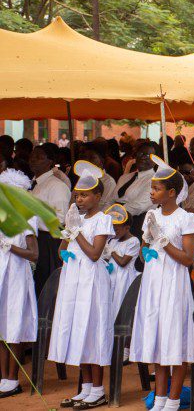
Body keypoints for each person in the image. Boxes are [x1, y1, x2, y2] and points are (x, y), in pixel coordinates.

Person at [129, 155, 194, 411]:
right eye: (151, 188)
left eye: (156, 189)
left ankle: (173, 400)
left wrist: (164, 241)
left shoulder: (185, 218)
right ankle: (159, 398)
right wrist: (147, 246)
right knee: (158, 340)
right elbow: (145, 253)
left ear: (171, 193)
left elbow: (188, 259)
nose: (151, 192)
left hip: (174, 284)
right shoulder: (151, 214)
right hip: (153, 283)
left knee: (175, 341)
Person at [48, 161, 114, 409]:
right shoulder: (76, 219)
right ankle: (85, 388)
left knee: (92, 331)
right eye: (77, 195)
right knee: (79, 331)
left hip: (92, 281)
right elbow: (61, 252)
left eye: (85, 195)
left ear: (98, 196)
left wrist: (77, 232)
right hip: (74, 280)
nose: (80, 199)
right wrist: (69, 230)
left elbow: (95, 254)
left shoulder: (102, 220)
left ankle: (98, 390)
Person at [0, 169, 38, 398]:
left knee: (13, 324)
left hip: (16, 275)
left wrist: (10, 246)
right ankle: (3, 377)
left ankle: (13, 379)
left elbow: (34, 254)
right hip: (1, 274)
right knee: (1, 325)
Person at [29, 144, 71, 296]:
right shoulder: (34, 183)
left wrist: (29, 218)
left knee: (46, 286)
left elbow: (59, 220)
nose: (33, 160)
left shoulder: (57, 186)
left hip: (49, 241)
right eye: (32, 156)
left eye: (39, 157)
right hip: (36, 238)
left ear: (50, 161)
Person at [103, 204, 140, 331]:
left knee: (119, 305)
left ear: (127, 228)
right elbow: (107, 258)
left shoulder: (133, 241)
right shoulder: (113, 240)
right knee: (109, 304)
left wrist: (111, 251)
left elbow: (123, 262)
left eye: (116, 230)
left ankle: (118, 332)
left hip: (123, 279)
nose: (113, 232)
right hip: (111, 277)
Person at [114, 143, 156, 239]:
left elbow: (139, 206)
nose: (143, 157)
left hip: (135, 226)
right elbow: (111, 199)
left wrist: (113, 214)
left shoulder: (155, 180)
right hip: (114, 222)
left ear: (155, 159)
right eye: (140, 154)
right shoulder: (125, 177)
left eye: (148, 155)